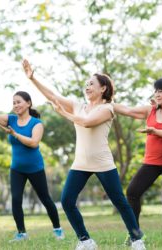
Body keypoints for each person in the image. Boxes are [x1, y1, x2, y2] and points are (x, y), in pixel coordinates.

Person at [22, 59, 145, 250]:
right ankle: (86, 241)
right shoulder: (78, 106)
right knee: (67, 201)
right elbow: (53, 96)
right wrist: (33, 79)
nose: (87, 87)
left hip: (103, 162)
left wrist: (63, 113)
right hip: (80, 163)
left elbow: (87, 122)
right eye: (86, 84)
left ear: (103, 88)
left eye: (91, 84)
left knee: (120, 201)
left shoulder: (107, 108)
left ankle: (137, 239)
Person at [0, 90, 64, 242]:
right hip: (17, 168)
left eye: (18, 102)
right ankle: (22, 233)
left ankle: (58, 229)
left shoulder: (36, 123)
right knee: (16, 199)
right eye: (13, 103)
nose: (15, 105)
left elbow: (33, 143)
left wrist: (15, 134)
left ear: (28, 103)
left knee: (45, 199)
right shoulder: (10, 119)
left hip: (35, 168)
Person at [113, 77, 162, 247]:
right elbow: (127, 110)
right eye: (155, 91)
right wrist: (107, 101)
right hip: (152, 161)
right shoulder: (150, 110)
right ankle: (135, 233)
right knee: (132, 192)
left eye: (160, 90)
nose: (157, 94)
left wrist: (155, 131)